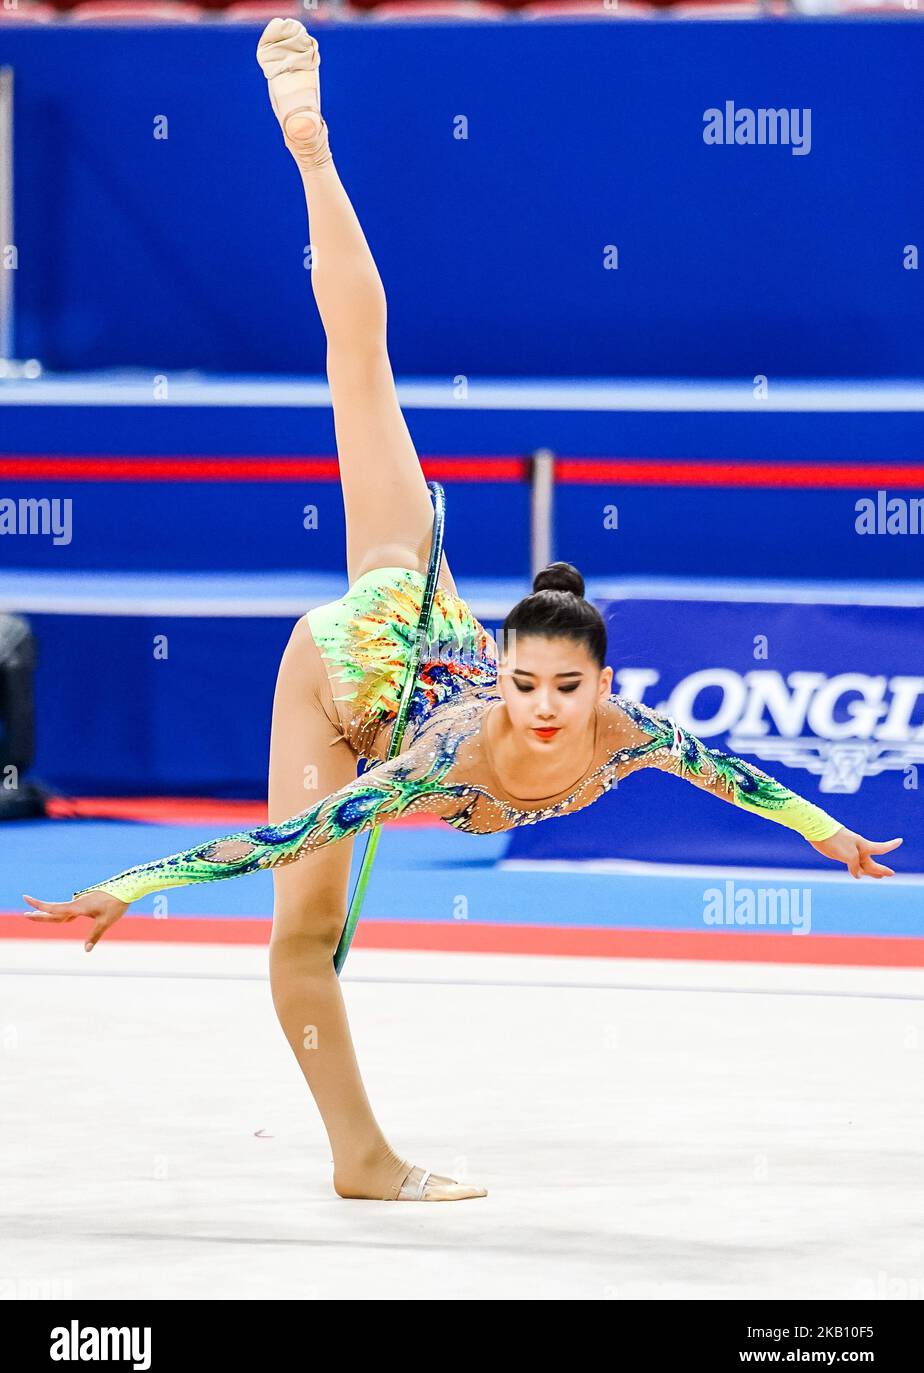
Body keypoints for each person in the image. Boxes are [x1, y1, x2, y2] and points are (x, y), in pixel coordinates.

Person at [22, 19, 903, 1204]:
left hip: (421, 600)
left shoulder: (632, 732)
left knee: (362, 378)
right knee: (305, 934)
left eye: (565, 688)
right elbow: (271, 840)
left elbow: (735, 775)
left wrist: (828, 833)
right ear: (503, 674)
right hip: (350, 679)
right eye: (528, 684)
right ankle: (312, 149)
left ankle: (314, 152)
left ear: (602, 686)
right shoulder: (438, 759)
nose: (542, 711)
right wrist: (135, 882)